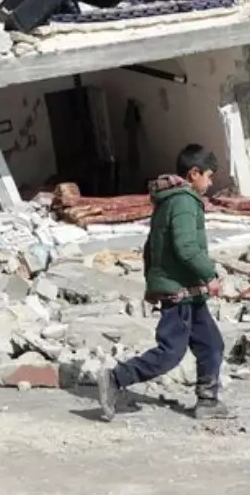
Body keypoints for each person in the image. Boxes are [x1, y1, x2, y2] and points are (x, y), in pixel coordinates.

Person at [97, 144, 233, 421]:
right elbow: (186, 247)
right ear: (194, 173)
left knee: (211, 344)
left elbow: (152, 246)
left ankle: (208, 401)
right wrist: (210, 275)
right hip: (180, 290)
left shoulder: (169, 200)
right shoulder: (184, 201)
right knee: (171, 353)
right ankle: (116, 377)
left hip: (188, 290)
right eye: (209, 176)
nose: (210, 183)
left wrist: (156, 281)